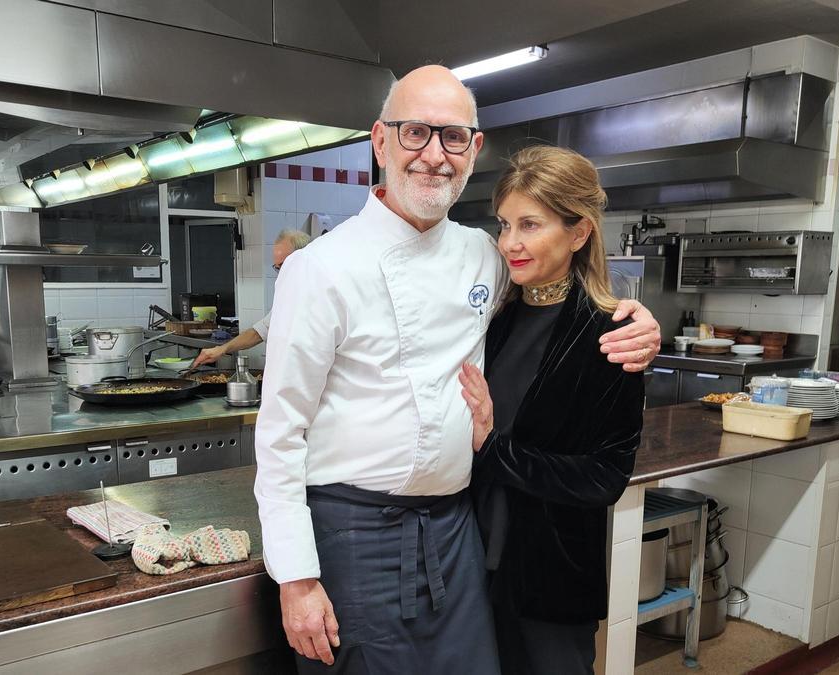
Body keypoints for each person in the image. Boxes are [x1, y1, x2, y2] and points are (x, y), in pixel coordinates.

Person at [255, 65, 661, 674]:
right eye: (415, 133)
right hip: (357, 530)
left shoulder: (481, 255)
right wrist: (296, 578)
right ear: (381, 140)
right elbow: (280, 431)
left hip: (456, 530)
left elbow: (560, 294)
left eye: (452, 138)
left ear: (474, 150)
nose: (433, 156)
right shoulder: (320, 269)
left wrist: (636, 319)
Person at [459, 145, 645, 674]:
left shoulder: (612, 336)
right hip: (475, 561)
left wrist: (495, 451)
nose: (510, 243)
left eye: (530, 225)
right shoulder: (495, 322)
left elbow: (604, 477)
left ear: (579, 232)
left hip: (551, 577)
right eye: (505, 224)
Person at [191, 229, 311, 368]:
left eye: (284, 265)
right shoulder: (288, 295)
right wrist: (221, 349)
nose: (280, 274)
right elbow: (259, 331)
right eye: (277, 267)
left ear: (304, 259)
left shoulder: (323, 295)